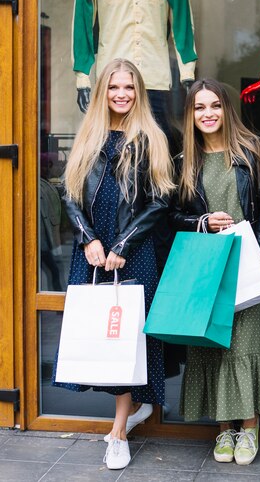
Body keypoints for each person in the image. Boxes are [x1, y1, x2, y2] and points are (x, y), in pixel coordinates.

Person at [53, 58, 174, 470]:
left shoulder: (150, 137)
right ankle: (134, 406)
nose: (122, 94)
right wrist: (89, 239)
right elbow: (69, 194)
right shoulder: (90, 135)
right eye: (114, 87)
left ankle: (118, 432)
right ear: (103, 91)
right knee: (100, 335)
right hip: (92, 250)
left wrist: (123, 242)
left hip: (133, 249)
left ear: (139, 92)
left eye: (129, 87)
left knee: (125, 337)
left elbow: (160, 200)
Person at [170, 79, 260, 466]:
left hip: (246, 260)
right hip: (205, 265)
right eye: (199, 108)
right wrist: (201, 220)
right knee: (212, 344)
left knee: (244, 346)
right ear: (190, 114)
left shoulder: (251, 150)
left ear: (227, 109)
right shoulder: (184, 161)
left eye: (215, 105)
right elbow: (172, 216)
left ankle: (249, 428)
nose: (208, 114)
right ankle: (223, 431)